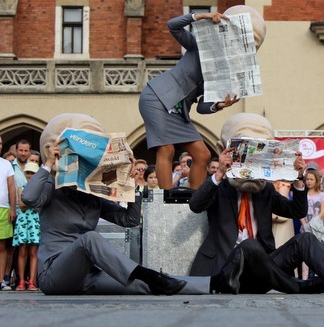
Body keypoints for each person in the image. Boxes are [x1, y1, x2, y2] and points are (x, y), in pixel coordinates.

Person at [21, 113, 238, 295]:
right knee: (91, 239)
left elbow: (130, 220)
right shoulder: (50, 186)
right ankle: (150, 275)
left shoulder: (91, 195)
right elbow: (29, 199)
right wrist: (48, 164)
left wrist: (133, 185)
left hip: (87, 276)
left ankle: (214, 284)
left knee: (144, 286)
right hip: (54, 275)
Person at [188, 113, 324, 294]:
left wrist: (299, 178)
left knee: (305, 239)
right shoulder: (218, 185)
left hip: (262, 270)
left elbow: (296, 210)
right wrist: (219, 173)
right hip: (227, 270)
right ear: (224, 150)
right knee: (250, 246)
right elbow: (195, 205)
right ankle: (303, 286)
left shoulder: (265, 191)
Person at [138, 5, 266, 191]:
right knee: (166, 149)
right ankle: (164, 199)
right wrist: (201, 16)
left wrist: (220, 104)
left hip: (179, 110)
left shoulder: (227, 70)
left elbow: (202, 107)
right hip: (158, 97)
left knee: (203, 155)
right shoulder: (202, 45)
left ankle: (195, 200)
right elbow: (173, 26)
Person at [12, 161, 40, 291]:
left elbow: (40, 206)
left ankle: (32, 281)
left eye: (33, 173)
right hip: (24, 220)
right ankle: (21, 280)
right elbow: (22, 205)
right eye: (28, 173)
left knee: (34, 252)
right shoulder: (21, 187)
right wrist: (34, 203)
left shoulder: (40, 189)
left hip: (35, 220)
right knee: (22, 251)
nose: (30, 175)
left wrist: (29, 202)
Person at [300, 170, 324, 279]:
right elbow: (300, 212)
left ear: (316, 181)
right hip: (305, 227)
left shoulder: (321, 195)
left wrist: (313, 223)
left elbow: (322, 212)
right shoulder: (303, 194)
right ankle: (304, 277)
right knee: (305, 253)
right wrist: (305, 224)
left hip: (317, 228)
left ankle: (317, 276)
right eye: (307, 179)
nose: (309, 182)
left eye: (311, 179)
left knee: (318, 252)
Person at [0, 136, 16, 291]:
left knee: (3, 246)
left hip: (3, 208)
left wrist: (12, 208)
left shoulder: (6, 165)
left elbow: (11, 187)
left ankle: (1, 280)